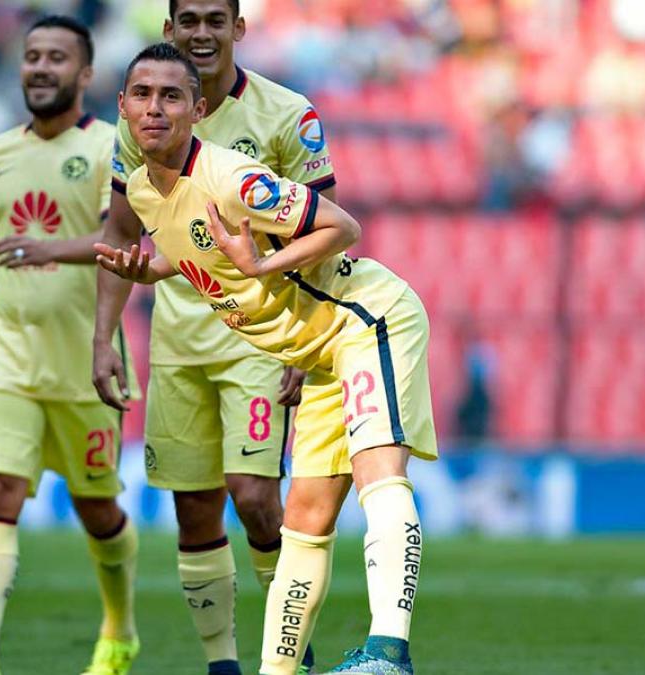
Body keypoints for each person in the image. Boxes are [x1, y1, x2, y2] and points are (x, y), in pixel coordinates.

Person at [98, 44, 437, 675]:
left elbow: (340, 225)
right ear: (122, 107)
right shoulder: (145, 189)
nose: (154, 109)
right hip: (316, 353)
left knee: (377, 473)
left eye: (171, 97)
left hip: (363, 317)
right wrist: (154, 270)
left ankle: (390, 653)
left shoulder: (233, 178)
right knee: (304, 518)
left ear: (198, 111)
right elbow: (199, 245)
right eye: (141, 95)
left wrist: (261, 263)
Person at [93, 3, 337, 672]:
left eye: (215, 19)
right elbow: (121, 232)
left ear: (239, 29)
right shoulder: (142, 114)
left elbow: (322, 230)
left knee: (255, 497)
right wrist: (102, 338)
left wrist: (309, 339)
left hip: (261, 337)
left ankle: (292, 650)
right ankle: (223, 664)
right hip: (177, 339)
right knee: (195, 512)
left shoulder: (287, 114)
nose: (201, 32)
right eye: (188, 19)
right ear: (169, 29)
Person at [0, 16, 140, 675]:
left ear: (85, 75)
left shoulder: (116, 150)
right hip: (8, 353)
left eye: (57, 57)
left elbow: (129, 243)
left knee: (97, 507)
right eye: (32, 56)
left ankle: (119, 629)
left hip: (87, 363)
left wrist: (57, 252)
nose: (40, 67)